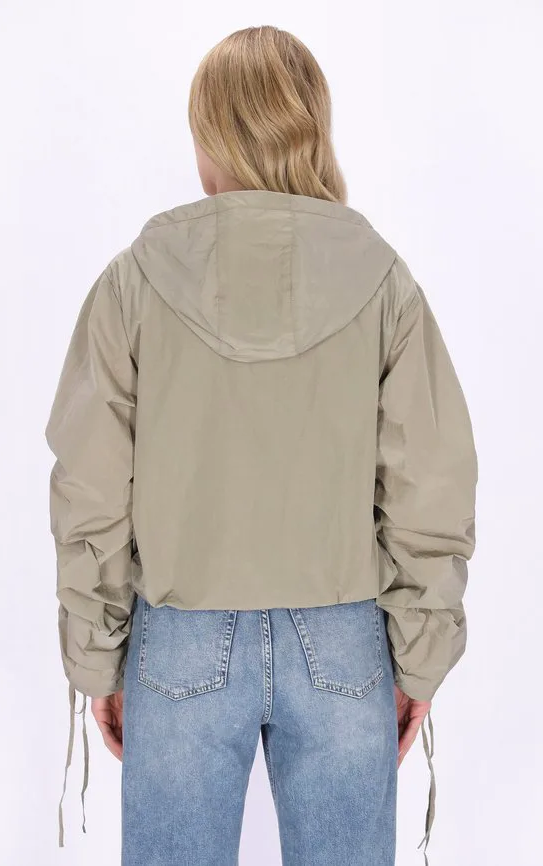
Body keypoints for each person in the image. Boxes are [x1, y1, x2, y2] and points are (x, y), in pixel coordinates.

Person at [45, 25, 477, 866]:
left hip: (178, 641)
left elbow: (91, 485)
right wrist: (419, 659)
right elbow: (432, 481)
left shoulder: (137, 278)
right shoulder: (381, 278)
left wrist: (98, 656)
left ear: (210, 135)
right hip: (344, 643)